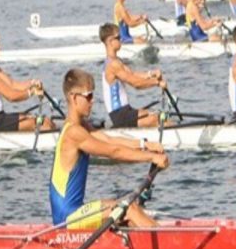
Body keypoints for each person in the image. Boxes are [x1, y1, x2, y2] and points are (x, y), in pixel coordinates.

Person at [49, 68, 168, 230]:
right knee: (129, 208)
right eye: (89, 96)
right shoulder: (73, 133)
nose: (93, 101)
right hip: (68, 217)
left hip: (77, 211)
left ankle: (157, 239)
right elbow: (113, 152)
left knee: (129, 217)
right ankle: (173, 243)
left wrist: (145, 144)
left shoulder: (82, 126)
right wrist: (151, 157)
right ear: (74, 98)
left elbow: (110, 140)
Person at [0, 29, 55, 133]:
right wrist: (32, 92)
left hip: (0, 117)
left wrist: (32, 83)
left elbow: (13, 84)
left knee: (40, 120)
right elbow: (11, 96)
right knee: (44, 123)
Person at [99, 23, 171, 128]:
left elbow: (133, 74)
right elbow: (136, 84)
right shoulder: (112, 65)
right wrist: (157, 83)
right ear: (110, 41)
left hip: (125, 111)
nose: (121, 40)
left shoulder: (116, 61)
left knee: (158, 115)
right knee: (157, 118)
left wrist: (151, 74)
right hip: (120, 115)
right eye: (118, 38)